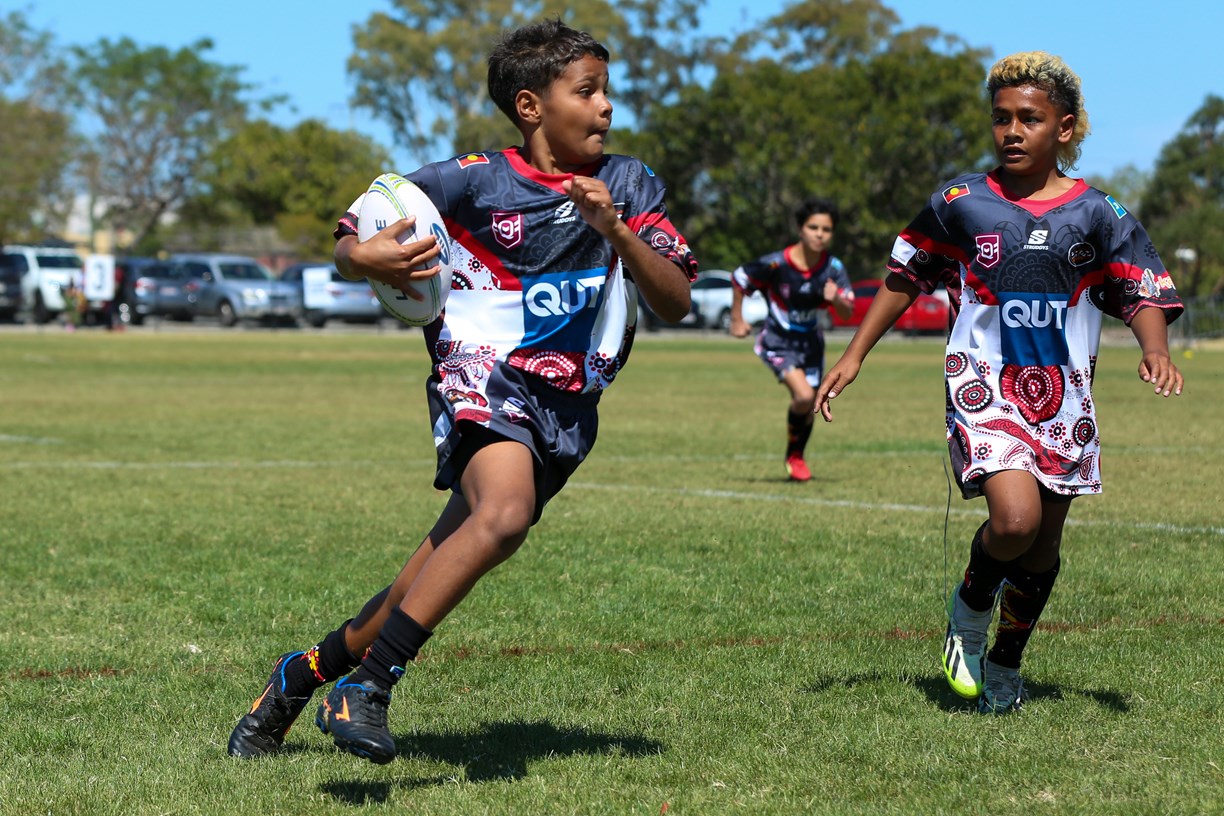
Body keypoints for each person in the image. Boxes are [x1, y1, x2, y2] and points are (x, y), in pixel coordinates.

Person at [227, 19, 696, 764]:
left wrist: (618, 233)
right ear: (531, 105)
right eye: (588, 91)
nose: (607, 106)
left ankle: (300, 676)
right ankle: (370, 688)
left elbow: (674, 302)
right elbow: (360, 230)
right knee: (503, 515)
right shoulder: (472, 179)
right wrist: (361, 257)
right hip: (481, 374)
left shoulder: (628, 186)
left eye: (607, 90)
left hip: (567, 402)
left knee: (414, 588)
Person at [813, 52, 1184, 714]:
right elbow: (905, 277)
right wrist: (855, 354)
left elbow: (1141, 288)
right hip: (983, 384)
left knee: (1042, 550)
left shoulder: (1099, 213)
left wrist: (1154, 346)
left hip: (1064, 395)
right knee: (1013, 522)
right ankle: (968, 615)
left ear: (1064, 129)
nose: (1011, 131)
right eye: (1001, 118)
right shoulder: (961, 203)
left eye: (1030, 119)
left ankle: (1007, 661)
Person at [728, 199, 854, 481]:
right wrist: (737, 318)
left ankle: (796, 455)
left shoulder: (833, 268)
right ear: (800, 229)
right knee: (804, 396)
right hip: (777, 340)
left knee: (809, 405)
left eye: (827, 229)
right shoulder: (776, 263)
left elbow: (848, 311)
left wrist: (836, 300)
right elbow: (739, 278)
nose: (820, 234)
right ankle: (794, 456)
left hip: (811, 344)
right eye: (813, 227)